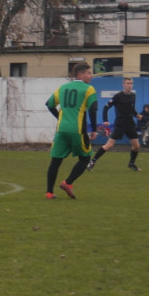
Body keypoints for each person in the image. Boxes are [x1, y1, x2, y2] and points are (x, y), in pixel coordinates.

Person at [45, 63, 99, 200]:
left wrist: (60, 117)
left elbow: (49, 104)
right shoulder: (89, 89)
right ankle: (67, 183)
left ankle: (49, 192)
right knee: (85, 158)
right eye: (88, 73)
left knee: (55, 161)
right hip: (77, 130)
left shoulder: (62, 88)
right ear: (80, 75)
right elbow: (93, 109)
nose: (91, 76)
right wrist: (94, 129)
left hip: (61, 129)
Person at [88, 76, 141, 171]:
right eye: (127, 83)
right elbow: (106, 107)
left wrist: (137, 115)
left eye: (131, 83)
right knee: (109, 145)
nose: (129, 85)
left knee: (137, 146)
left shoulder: (133, 95)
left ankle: (131, 163)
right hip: (120, 123)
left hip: (130, 123)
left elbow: (132, 109)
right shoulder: (118, 96)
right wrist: (105, 120)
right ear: (123, 84)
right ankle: (92, 161)